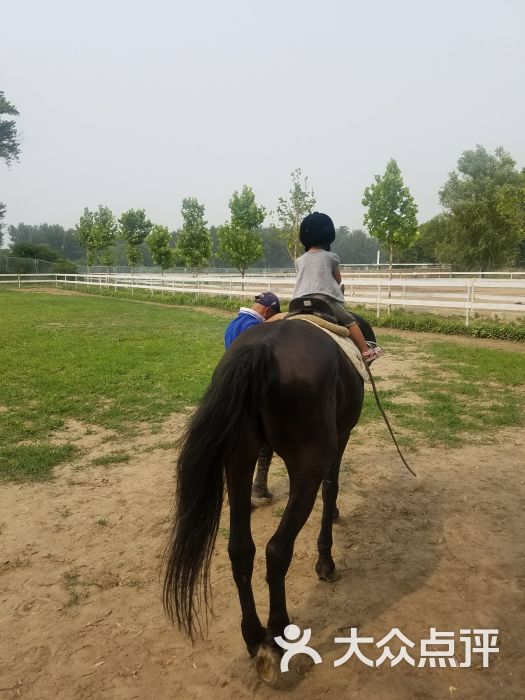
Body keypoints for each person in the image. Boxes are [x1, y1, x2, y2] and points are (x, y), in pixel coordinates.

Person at [293, 211, 382, 363]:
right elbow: (338, 279)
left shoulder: (299, 260)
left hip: (299, 302)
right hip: (324, 301)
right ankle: (366, 351)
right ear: (327, 236)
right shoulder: (331, 257)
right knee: (350, 322)